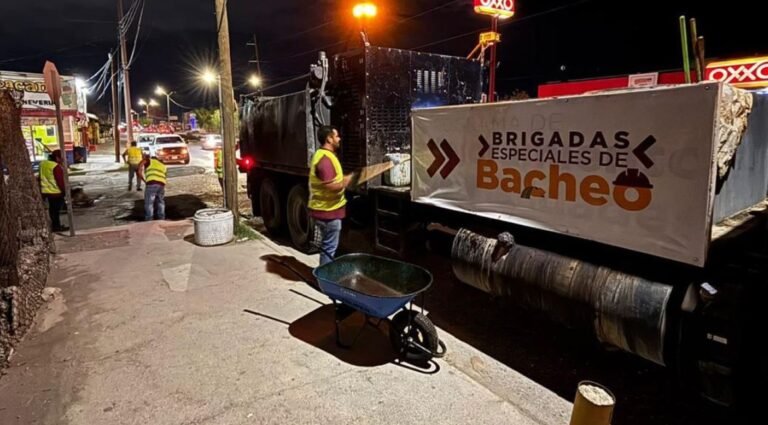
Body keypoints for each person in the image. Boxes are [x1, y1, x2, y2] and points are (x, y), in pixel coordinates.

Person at [308, 126, 353, 265]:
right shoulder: (325, 160)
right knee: (329, 248)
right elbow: (330, 185)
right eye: (336, 136)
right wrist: (347, 181)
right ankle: (324, 276)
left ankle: (324, 273)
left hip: (325, 210)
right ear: (329, 138)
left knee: (327, 247)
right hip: (328, 212)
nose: (339, 139)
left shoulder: (323, 155)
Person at [39, 149, 68, 232]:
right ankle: (56, 226)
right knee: (56, 211)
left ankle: (55, 225)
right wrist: (65, 191)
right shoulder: (56, 167)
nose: (64, 160)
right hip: (56, 192)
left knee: (52, 210)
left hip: (46, 191)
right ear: (57, 158)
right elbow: (60, 181)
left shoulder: (43, 164)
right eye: (63, 158)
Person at [137, 153, 167, 221]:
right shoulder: (162, 165)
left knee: (149, 202)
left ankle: (149, 219)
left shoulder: (148, 160)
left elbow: (139, 168)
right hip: (161, 184)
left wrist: (143, 179)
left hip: (152, 183)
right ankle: (161, 218)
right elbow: (164, 175)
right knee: (160, 201)